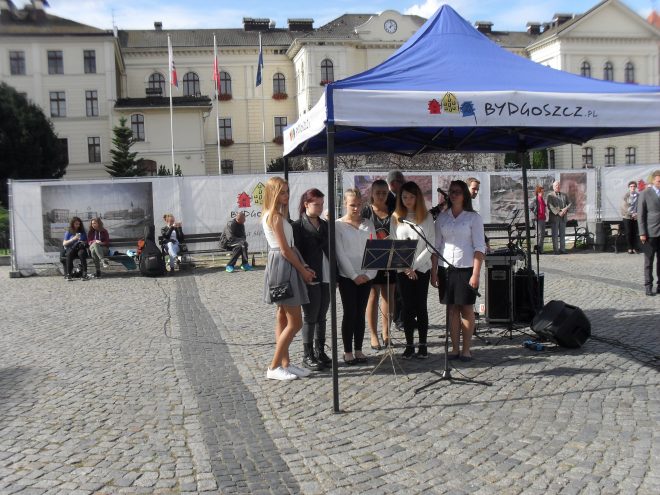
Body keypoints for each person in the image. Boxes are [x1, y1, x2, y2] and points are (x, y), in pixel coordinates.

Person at [262, 177, 316, 380]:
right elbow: (285, 250)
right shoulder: (274, 217)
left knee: (283, 318)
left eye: (287, 191)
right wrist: (303, 270)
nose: (286, 195)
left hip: (282, 265)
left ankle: (285, 364)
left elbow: (289, 248)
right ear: (273, 194)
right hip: (283, 266)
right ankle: (274, 366)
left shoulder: (275, 216)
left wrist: (303, 265)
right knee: (295, 322)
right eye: (282, 192)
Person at [432, 180, 486, 361]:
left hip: (466, 268)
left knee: (466, 308)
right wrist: (433, 271)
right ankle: (455, 348)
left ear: (464, 195)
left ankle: (466, 349)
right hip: (446, 268)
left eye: (457, 192)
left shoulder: (473, 218)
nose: (453, 195)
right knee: (451, 309)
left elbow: (479, 248)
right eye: (451, 192)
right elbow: (436, 246)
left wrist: (476, 274)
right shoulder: (442, 217)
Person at [391, 181, 435, 359]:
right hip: (402, 270)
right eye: (404, 197)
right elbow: (393, 243)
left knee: (421, 306)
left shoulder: (427, 217)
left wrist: (414, 266)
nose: (407, 200)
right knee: (407, 307)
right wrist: (406, 267)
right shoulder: (396, 217)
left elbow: (431, 245)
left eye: (411, 197)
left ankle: (423, 344)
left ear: (417, 198)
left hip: (421, 269)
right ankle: (409, 345)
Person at [292, 188, 332, 371]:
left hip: (327, 274)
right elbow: (296, 253)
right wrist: (304, 271)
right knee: (310, 316)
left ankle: (320, 351)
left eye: (322, 204)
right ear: (306, 204)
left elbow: (332, 250)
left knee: (322, 315)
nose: (320, 207)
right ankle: (307, 355)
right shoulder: (298, 226)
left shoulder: (326, 225)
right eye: (317, 204)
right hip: (310, 274)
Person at [335, 188, 377, 365]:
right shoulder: (338, 225)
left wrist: (369, 274)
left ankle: (359, 349)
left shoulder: (368, 223)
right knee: (350, 313)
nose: (356, 208)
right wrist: (353, 275)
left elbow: (374, 249)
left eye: (359, 205)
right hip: (347, 276)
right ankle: (348, 351)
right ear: (345, 204)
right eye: (352, 205)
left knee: (360, 313)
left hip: (366, 275)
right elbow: (340, 253)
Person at [361, 179, 395, 350]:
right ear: (372, 194)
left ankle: (386, 333)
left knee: (389, 295)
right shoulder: (366, 211)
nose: (381, 196)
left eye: (384, 193)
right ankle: (373, 334)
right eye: (378, 193)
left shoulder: (393, 210)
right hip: (372, 258)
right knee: (372, 296)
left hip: (391, 257)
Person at [637, 170, 660, 296]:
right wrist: (642, 232)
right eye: (659, 181)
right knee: (648, 261)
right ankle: (648, 285)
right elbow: (641, 214)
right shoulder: (645, 193)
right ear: (653, 181)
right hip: (650, 233)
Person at [546, 180, 570, 255]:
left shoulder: (564, 195)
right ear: (553, 187)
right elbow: (550, 206)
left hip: (563, 218)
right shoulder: (550, 195)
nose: (558, 187)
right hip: (554, 218)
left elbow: (569, 203)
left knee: (563, 235)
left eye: (559, 185)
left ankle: (562, 249)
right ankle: (556, 250)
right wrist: (559, 212)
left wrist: (565, 210)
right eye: (556, 185)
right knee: (555, 235)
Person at [62, 216, 89, 281]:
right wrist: (73, 239)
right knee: (69, 254)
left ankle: (84, 273)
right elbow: (64, 243)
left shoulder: (82, 232)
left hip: (80, 248)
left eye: (79, 224)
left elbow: (86, 241)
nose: (78, 225)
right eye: (76, 224)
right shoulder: (69, 232)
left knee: (81, 254)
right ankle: (69, 274)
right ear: (72, 224)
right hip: (72, 248)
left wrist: (83, 242)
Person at [621, 181, 639, 254]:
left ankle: (634, 247)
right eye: (631, 186)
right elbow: (623, 207)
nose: (633, 188)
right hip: (627, 216)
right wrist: (631, 214)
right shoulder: (626, 196)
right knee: (628, 232)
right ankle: (629, 247)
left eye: (634, 186)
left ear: (636, 187)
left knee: (634, 232)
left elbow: (640, 205)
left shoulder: (638, 195)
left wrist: (637, 213)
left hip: (636, 216)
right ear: (629, 187)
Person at [529, 185, 547, 254]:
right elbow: (530, 207)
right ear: (538, 192)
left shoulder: (542, 199)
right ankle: (536, 249)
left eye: (543, 191)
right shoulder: (535, 199)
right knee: (539, 234)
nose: (543, 193)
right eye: (541, 191)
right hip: (537, 218)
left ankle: (540, 249)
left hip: (543, 218)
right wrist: (535, 213)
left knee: (542, 234)